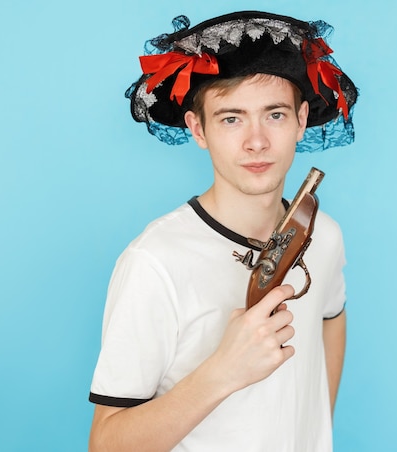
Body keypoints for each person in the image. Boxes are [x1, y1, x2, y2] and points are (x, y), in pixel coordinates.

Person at [88, 10, 358, 452]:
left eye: (274, 115)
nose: (256, 141)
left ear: (301, 119)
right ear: (199, 129)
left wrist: (315, 432)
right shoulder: (153, 262)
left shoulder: (324, 234)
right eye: (232, 118)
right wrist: (222, 372)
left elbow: (332, 319)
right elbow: (106, 444)